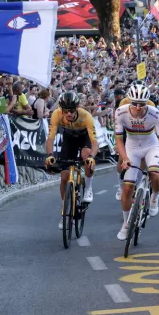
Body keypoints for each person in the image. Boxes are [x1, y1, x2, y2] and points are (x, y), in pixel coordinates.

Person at [114, 85, 159, 240]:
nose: (138, 107)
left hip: (151, 145)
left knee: (155, 175)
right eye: (135, 103)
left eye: (142, 104)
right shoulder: (121, 112)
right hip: (132, 147)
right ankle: (125, 224)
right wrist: (125, 158)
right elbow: (118, 139)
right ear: (129, 101)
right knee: (128, 188)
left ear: (147, 102)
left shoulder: (155, 113)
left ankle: (154, 197)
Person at [45, 91, 99, 226]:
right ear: (61, 109)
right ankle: (66, 211)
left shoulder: (86, 116)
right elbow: (50, 138)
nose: (68, 114)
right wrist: (50, 155)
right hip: (69, 139)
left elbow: (95, 143)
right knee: (64, 177)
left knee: (86, 157)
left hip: (84, 138)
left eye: (71, 110)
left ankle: (88, 188)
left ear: (76, 108)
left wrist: (92, 157)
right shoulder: (56, 114)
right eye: (65, 110)